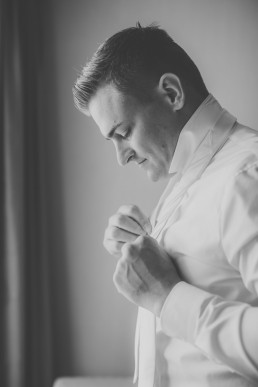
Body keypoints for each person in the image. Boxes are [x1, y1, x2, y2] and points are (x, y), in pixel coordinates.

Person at [73, 24, 258, 387]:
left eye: (123, 133)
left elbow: (169, 296)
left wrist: (169, 298)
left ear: (171, 93)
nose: (121, 157)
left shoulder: (245, 175)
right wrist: (143, 247)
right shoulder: (191, 175)